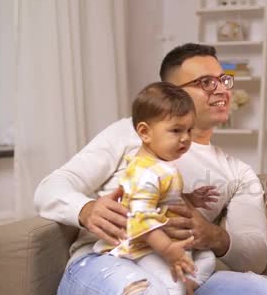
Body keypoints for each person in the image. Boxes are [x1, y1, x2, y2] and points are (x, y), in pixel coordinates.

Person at [34, 43, 267, 295]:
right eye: (206, 82)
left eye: (224, 79)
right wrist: (86, 210)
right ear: (173, 92)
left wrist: (212, 236)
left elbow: (256, 256)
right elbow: (50, 188)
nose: (221, 90)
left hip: (181, 272)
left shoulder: (237, 172)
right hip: (107, 260)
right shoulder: (131, 132)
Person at [91, 81, 215, 295]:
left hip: (162, 243)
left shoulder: (159, 166)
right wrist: (168, 250)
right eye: (176, 130)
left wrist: (191, 198)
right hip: (144, 248)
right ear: (145, 132)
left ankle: (190, 284)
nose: (185, 138)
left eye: (189, 130)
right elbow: (142, 218)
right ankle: (178, 287)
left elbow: (163, 199)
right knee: (172, 285)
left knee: (208, 257)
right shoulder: (146, 173)